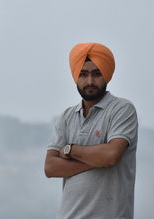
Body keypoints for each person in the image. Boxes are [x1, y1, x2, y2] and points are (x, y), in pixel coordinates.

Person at [44, 42, 138, 219]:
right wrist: (96, 160)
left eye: (96, 74)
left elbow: (111, 156)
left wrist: (69, 150)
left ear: (106, 75)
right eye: (83, 74)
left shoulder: (122, 109)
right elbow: (50, 167)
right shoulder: (66, 116)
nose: (90, 81)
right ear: (75, 77)